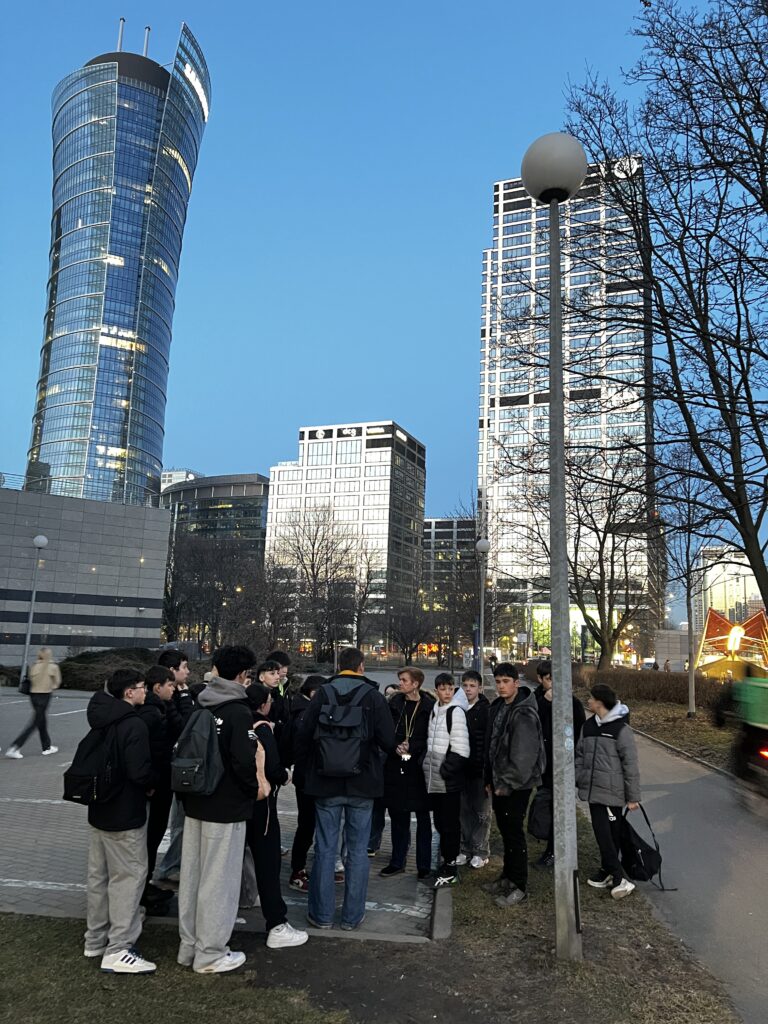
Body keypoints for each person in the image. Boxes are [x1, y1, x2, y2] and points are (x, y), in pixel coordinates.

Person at [296, 647, 396, 931]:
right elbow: (388, 740)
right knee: (358, 851)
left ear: (339, 666)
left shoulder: (323, 694)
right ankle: (352, 917)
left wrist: (303, 772)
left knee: (325, 849)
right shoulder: (373, 697)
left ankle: (322, 916)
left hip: (325, 783)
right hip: (362, 784)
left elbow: (303, 736)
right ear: (361, 666)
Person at [177, 645, 261, 973]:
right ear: (242, 675)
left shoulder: (201, 702)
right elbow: (243, 762)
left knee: (193, 878)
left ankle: (189, 946)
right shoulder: (239, 711)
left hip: (196, 800)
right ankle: (210, 953)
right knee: (219, 881)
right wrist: (253, 791)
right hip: (226, 807)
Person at [83, 668, 156, 973]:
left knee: (98, 878)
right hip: (125, 812)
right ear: (129, 692)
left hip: (99, 810)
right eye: (141, 687)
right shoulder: (133, 724)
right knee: (128, 878)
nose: (145, 691)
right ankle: (119, 947)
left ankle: (95, 939)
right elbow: (139, 772)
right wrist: (153, 782)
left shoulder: (101, 718)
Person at [244, 681, 308, 948]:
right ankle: (277, 924)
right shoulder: (262, 729)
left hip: (235, 804)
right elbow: (273, 769)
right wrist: (285, 775)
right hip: (262, 805)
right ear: (263, 704)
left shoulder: (235, 722)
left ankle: (243, 899)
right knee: (268, 862)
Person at [484, 662, 545, 908]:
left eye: (505, 682)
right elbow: (491, 745)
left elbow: (524, 756)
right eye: (498, 682)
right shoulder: (499, 707)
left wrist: (507, 784)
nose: (501, 686)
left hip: (517, 785)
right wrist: (489, 779)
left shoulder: (524, 713)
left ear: (516, 683)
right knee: (506, 831)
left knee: (514, 833)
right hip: (499, 781)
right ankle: (507, 877)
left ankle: (519, 885)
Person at [575, 683, 640, 900]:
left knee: (607, 836)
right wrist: (579, 777)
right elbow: (580, 755)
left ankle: (620, 878)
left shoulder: (621, 730)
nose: (588, 701)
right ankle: (608, 872)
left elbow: (630, 765)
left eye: (591, 698)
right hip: (593, 792)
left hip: (612, 794)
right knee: (605, 835)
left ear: (600, 702)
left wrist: (633, 797)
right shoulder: (588, 726)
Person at [135, 665, 192, 912]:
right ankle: (141, 890)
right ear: (157, 687)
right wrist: (150, 782)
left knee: (153, 835)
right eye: (170, 686)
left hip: (158, 783)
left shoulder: (160, 708)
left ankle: (144, 886)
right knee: (149, 837)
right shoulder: (151, 713)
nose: (173, 689)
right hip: (156, 785)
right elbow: (151, 750)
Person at [379, 668, 435, 880]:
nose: (400, 683)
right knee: (398, 815)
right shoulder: (394, 704)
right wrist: (395, 746)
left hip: (418, 767)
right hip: (396, 765)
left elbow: (433, 735)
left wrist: (413, 747)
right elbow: (383, 730)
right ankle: (397, 861)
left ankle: (424, 865)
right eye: (400, 680)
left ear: (416, 683)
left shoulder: (429, 707)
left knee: (423, 818)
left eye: (404, 680)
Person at [533, 660, 586, 868]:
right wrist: (545, 703)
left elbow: (579, 734)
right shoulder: (536, 700)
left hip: (563, 765)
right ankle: (550, 845)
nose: (553, 684)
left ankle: (555, 850)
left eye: (556, 679)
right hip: (542, 765)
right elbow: (532, 724)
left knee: (559, 810)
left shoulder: (572, 703)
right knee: (545, 806)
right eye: (548, 679)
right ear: (540, 679)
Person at [423, 672, 470, 889]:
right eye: (443, 689)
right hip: (435, 778)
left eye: (451, 688)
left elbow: (461, 749)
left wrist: (445, 770)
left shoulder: (455, 712)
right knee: (441, 822)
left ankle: (451, 867)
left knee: (450, 824)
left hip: (448, 780)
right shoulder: (436, 710)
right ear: (437, 691)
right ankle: (445, 862)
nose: (448, 693)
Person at [153, 650, 195, 885]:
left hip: (171, 768)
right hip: (163, 772)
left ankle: (167, 868)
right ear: (171, 671)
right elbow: (184, 726)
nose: (188, 672)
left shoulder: (173, 695)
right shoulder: (166, 700)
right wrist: (186, 695)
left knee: (171, 822)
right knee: (160, 825)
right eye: (184, 667)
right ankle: (165, 870)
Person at [286, 675, 325, 891]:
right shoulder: (305, 715)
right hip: (309, 777)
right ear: (313, 693)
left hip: (305, 776)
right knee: (307, 825)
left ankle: (300, 868)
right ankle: (298, 870)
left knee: (308, 824)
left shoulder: (300, 710)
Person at [456, 669, 491, 869]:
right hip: (461, 769)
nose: (468, 689)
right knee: (463, 811)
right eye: (465, 685)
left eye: (472, 686)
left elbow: (487, 743)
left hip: (479, 770)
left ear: (480, 688)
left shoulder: (485, 710)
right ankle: (465, 848)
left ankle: (480, 850)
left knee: (481, 813)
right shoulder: (458, 708)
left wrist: (486, 771)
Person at [6, 648, 61, 759]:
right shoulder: (53, 667)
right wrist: (50, 685)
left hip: (33, 695)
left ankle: (46, 747)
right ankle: (15, 746)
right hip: (44, 695)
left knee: (41, 720)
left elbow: (30, 679)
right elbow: (57, 683)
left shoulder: (34, 666)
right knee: (35, 722)